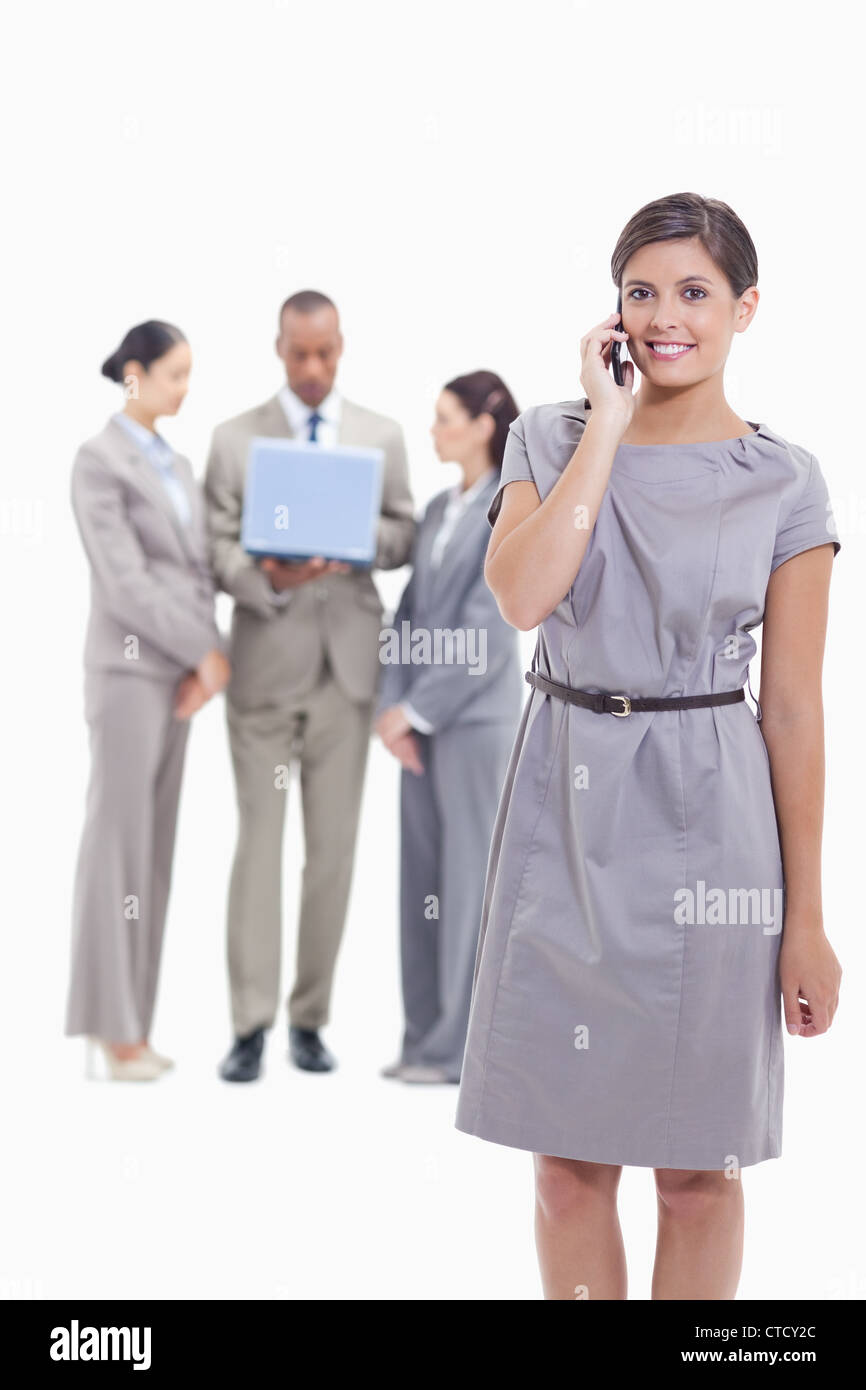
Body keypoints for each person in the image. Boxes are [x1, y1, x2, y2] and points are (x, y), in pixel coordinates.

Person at [454, 192, 843, 1299]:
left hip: (707, 822)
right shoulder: (548, 433)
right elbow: (526, 594)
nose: (664, 316)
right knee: (566, 1165)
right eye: (640, 291)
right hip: (563, 803)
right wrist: (608, 427)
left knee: (693, 1168)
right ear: (610, 307)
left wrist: (804, 919)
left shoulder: (783, 479)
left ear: (744, 307)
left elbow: (794, 710)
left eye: (692, 292)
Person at [205, 289, 415, 1082]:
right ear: (279, 349)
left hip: (347, 673)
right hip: (265, 665)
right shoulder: (233, 440)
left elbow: (404, 534)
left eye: (325, 353)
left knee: (332, 853)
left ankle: (309, 1019)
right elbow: (214, 544)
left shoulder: (380, 436)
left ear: (341, 346)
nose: (313, 368)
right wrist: (269, 572)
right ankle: (249, 1024)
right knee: (259, 846)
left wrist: (354, 538)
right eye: (299, 354)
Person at [66, 320, 230, 1081]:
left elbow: (196, 572)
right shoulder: (98, 462)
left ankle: (136, 1026)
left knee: (154, 850)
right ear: (135, 374)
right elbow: (125, 581)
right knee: (117, 845)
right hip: (130, 673)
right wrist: (199, 649)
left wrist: (211, 654)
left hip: (180, 678)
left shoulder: (177, 462)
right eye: (174, 373)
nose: (184, 387)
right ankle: (110, 1029)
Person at [374, 372, 525, 1085]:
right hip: (420, 727)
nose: (432, 431)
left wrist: (418, 708)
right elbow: (406, 617)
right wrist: (392, 709)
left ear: (482, 426)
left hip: (475, 725)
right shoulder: (437, 511)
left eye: (444, 419)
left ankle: (459, 1049)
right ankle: (421, 1039)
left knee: (469, 883)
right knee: (423, 880)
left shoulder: (511, 507)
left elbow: (488, 628)